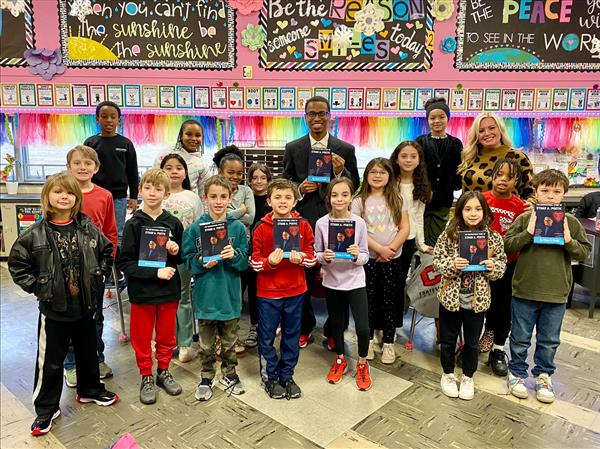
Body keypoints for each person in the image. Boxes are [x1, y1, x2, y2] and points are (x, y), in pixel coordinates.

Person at [8, 172, 118, 436]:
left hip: (85, 306)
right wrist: (39, 287)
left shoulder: (87, 226)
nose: (64, 196)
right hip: (54, 310)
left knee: (88, 351)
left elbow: (106, 250)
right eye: (58, 192)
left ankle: (90, 390)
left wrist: (99, 274)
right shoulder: (34, 234)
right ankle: (46, 409)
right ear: (47, 197)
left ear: (76, 198)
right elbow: (17, 264)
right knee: (51, 362)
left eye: (69, 192)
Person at [504, 169, 591, 403]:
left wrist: (569, 241)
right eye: (545, 191)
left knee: (549, 339)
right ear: (535, 192)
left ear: (564, 194)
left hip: (557, 292)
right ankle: (517, 373)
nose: (550, 197)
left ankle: (543, 375)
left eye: (556, 192)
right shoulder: (525, 219)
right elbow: (507, 246)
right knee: (520, 336)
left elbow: (584, 253)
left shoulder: (570, 223)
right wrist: (528, 233)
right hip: (525, 289)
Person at [283, 95, 359, 349]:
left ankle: (334, 330)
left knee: (339, 277)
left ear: (330, 116)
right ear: (305, 118)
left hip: (336, 222)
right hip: (302, 222)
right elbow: (284, 185)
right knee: (301, 275)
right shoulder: (293, 148)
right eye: (311, 114)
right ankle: (304, 327)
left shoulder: (345, 149)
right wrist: (299, 188)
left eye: (322, 113)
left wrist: (339, 172)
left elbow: (355, 185)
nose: (317, 118)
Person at [118, 169, 184, 405]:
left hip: (168, 291)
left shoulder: (173, 223)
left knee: (167, 336)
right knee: (142, 337)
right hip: (142, 293)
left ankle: (163, 371)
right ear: (140, 190)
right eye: (148, 188)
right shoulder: (134, 224)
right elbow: (124, 262)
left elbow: (180, 258)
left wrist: (176, 252)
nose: (153, 193)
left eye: (158, 189)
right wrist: (155, 272)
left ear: (166, 194)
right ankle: (146, 375)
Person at [433, 191, 507, 400]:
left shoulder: (492, 237)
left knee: (472, 342)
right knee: (448, 340)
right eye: (467, 209)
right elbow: (437, 261)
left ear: (485, 212)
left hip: (478, 301)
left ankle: (468, 376)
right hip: (451, 299)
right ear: (460, 211)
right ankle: (447, 374)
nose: (473, 214)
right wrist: (452, 264)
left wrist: (492, 267)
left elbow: (501, 266)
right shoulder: (449, 234)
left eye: (477, 209)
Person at [182, 175, 249, 402]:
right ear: (205, 198)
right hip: (205, 298)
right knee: (206, 344)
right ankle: (206, 376)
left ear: (230, 198)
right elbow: (188, 259)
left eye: (223, 196)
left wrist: (234, 256)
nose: (218, 201)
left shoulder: (238, 228)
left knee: (230, 342)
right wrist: (201, 262)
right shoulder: (194, 229)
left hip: (229, 296)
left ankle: (230, 374)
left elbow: (244, 261)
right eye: (213, 196)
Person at [249, 179, 316, 399]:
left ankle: (287, 375)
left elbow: (311, 256)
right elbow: (256, 262)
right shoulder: (260, 227)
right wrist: (271, 262)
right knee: (267, 336)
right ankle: (270, 376)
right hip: (268, 293)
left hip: (296, 291)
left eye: (288, 197)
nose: (283, 201)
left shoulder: (303, 225)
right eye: (277, 197)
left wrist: (303, 258)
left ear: (295, 201)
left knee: (291, 335)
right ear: (269, 201)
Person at [63, 145, 118, 386]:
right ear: (69, 167)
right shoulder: (61, 193)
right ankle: (71, 364)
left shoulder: (104, 195)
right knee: (69, 317)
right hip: (66, 270)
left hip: (94, 269)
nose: (82, 167)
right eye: (77, 163)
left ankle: (97, 358)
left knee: (95, 316)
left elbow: (110, 233)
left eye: (88, 163)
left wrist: (107, 262)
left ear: (96, 168)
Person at [314, 178, 372, 390]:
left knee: (364, 328)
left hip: (356, 281)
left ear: (351, 197)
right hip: (332, 282)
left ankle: (363, 363)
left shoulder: (359, 223)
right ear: (328, 198)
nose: (339, 199)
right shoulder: (321, 223)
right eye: (335, 195)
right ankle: (340, 359)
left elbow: (366, 255)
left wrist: (357, 255)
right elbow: (317, 253)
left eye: (344, 194)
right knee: (337, 325)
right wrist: (325, 257)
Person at [352, 158, 409, 365]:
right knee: (368, 300)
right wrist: (380, 249)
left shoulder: (397, 199)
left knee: (390, 300)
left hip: (393, 259)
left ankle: (388, 342)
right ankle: (367, 340)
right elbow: (358, 231)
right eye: (373, 172)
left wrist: (392, 248)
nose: (377, 176)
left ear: (389, 176)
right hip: (369, 259)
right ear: (366, 175)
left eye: (382, 172)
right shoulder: (359, 201)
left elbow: (404, 228)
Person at [480, 158, 527, 375]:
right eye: (499, 175)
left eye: (509, 177)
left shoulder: (520, 206)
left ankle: (498, 349)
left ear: (517, 181)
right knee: (481, 304)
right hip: (480, 264)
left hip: (509, 264)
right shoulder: (481, 199)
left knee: (503, 307)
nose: (503, 181)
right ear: (491, 176)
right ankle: (478, 340)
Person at [159, 154, 203, 363]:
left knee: (184, 298)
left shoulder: (192, 197)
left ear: (185, 172)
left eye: (179, 167)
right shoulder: (156, 194)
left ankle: (185, 343)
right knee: (163, 300)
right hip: (159, 256)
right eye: (169, 167)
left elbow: (199, 228)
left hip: (184, 255)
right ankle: (166, 342)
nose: (174, 171)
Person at [390, 140, 433, 328]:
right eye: (404, 156)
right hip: (386, 238)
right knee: (385, 282)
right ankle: (379, 324)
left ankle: (395, 322)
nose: (408, 160)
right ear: (397, 159)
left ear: (419, 160)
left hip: (407, 240)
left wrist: (421, 244)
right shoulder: (389, 181)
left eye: (413, 156)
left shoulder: (421, 185)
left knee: (399, 282)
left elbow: (419, 217)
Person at [85, 101, 138, 245]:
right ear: (97, 119)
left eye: (113, 117)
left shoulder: (126, 143)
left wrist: (133, 196)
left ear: (118, 120)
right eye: (104, 116)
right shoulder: (90, 143)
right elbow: (83, 170)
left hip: (118, 197)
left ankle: (114, 264)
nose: (109, 120)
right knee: (92, 230)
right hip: (94, 196)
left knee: (116, 232)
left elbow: (132, 171)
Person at [415, 98, 462, 247]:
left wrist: (455, 185)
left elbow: (459, 169)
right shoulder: (420, 141)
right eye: (432, 118)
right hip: (421, 199)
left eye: (441, 117)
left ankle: (433, 268)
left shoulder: (456, 143)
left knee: (437, 238)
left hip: (444, 200)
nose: (437, 121)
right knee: (418, 237)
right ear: (427, 120)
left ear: (448, 118)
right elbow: (415, 169)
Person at [459, 112, 535, 203]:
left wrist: (529, 206)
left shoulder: (517, 157)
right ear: (476, 135)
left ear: (500, 129)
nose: (487, 133)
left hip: (508, 214)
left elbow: (530, 193)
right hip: (474, 214)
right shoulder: (469, 156)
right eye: (481, 131)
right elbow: (464, 194)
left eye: (491, 128)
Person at [243, 163, 273, 348]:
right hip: (248, 252)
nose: (259, 181)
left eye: (263, 178)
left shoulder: (273, 200)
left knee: (268, 291)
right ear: (250, 180)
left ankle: (270, 326)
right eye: (255, 178)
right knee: (253, 290)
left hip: (268, 254)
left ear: (269, 180)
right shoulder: (246, 200)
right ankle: (254, 326)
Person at [154, 119, 210, 206]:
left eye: (198, 135)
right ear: (181, 136)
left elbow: (205, 192)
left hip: (188, 205)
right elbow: (154, 179)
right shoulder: (166, 153)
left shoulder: (201, 164)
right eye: (188, 134)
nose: (194, 138)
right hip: (164, 203)